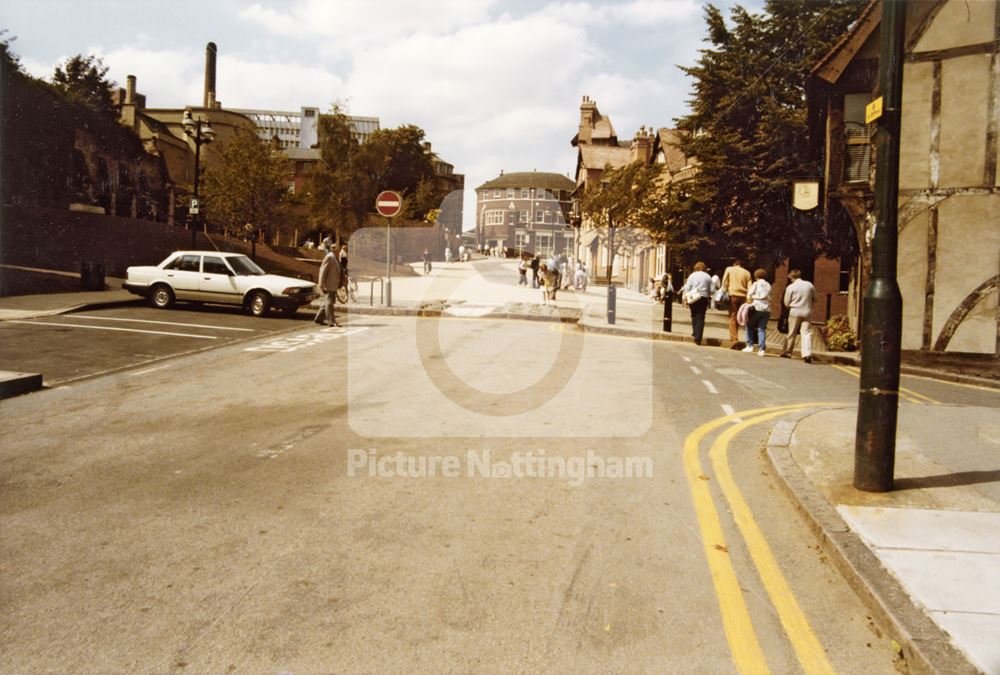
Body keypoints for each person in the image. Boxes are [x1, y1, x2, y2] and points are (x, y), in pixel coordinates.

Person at [781, 269, 817, 363]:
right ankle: (807, 354)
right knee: (806, 333)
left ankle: (787, 352)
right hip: (807, 311)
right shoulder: (809, 285)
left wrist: (791, 306)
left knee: (792, 332)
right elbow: (815, 298)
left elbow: (786, 302)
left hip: (795, 311)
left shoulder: (791, 287)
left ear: (791, 277)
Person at [721, 259, 752, 345]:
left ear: (734, 264)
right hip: (743, 296)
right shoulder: (747, 272)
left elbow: (724, 281)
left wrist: (724, 290)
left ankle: (734, 338)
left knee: (732, 316)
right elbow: (750, 286)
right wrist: (749, 299)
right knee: (740, 316)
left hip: (733, 295)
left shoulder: (729, 269)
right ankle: (742, 336)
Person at [681, 262, 713, 344]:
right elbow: (712, 290)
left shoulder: (692, 275)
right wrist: (708, 294)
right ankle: (698, 338)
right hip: (703, 297)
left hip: (694, 296)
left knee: (693, 314)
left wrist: (685, 296)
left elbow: (688, 287)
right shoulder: (708, 276)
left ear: (696, 268)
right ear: (704, 268)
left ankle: (695, 332)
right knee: (701, 316)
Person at [742, 268, 772, 356]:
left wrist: (751, 299)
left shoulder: (756, 284)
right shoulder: (768, 285)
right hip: (766, 309)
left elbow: (749, 294)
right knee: (761, 329)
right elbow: (769, 297)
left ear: (756, 276)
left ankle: (750, 345)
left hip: (756, 307)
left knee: (749, 326)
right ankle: (761, 349)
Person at [314, 243, 344, 328]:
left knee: (327, 301)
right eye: (338, 249)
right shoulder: (329, 257)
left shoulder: (335, 258)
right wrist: (321, 283)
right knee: (329, 302)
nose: (339, 251)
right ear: (334, 249)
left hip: (333, 283)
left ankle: (319, 318)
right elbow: (322, 270)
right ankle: (332, 321)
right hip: (329, 284)